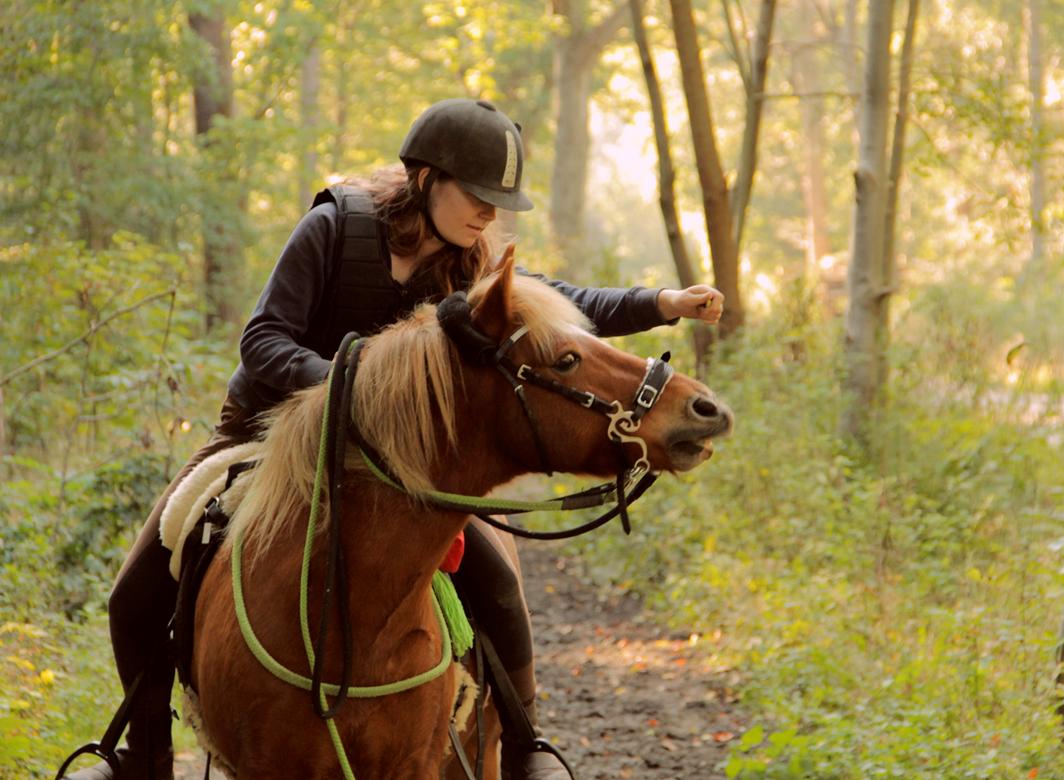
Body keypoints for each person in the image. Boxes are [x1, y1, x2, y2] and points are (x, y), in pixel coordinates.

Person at [68, 97, 724, 780]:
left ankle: (526, 746)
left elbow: (559, 303)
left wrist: (660, 304)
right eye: (477, 195)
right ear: (425, 179)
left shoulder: (470, 264)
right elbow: (262, 339)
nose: (488, 214)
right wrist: (348, 387)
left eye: (497, 201)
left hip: (395, 462)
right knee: (141, 583)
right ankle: (140, 756)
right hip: (270, 436)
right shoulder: (331, 229)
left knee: (496, 577)